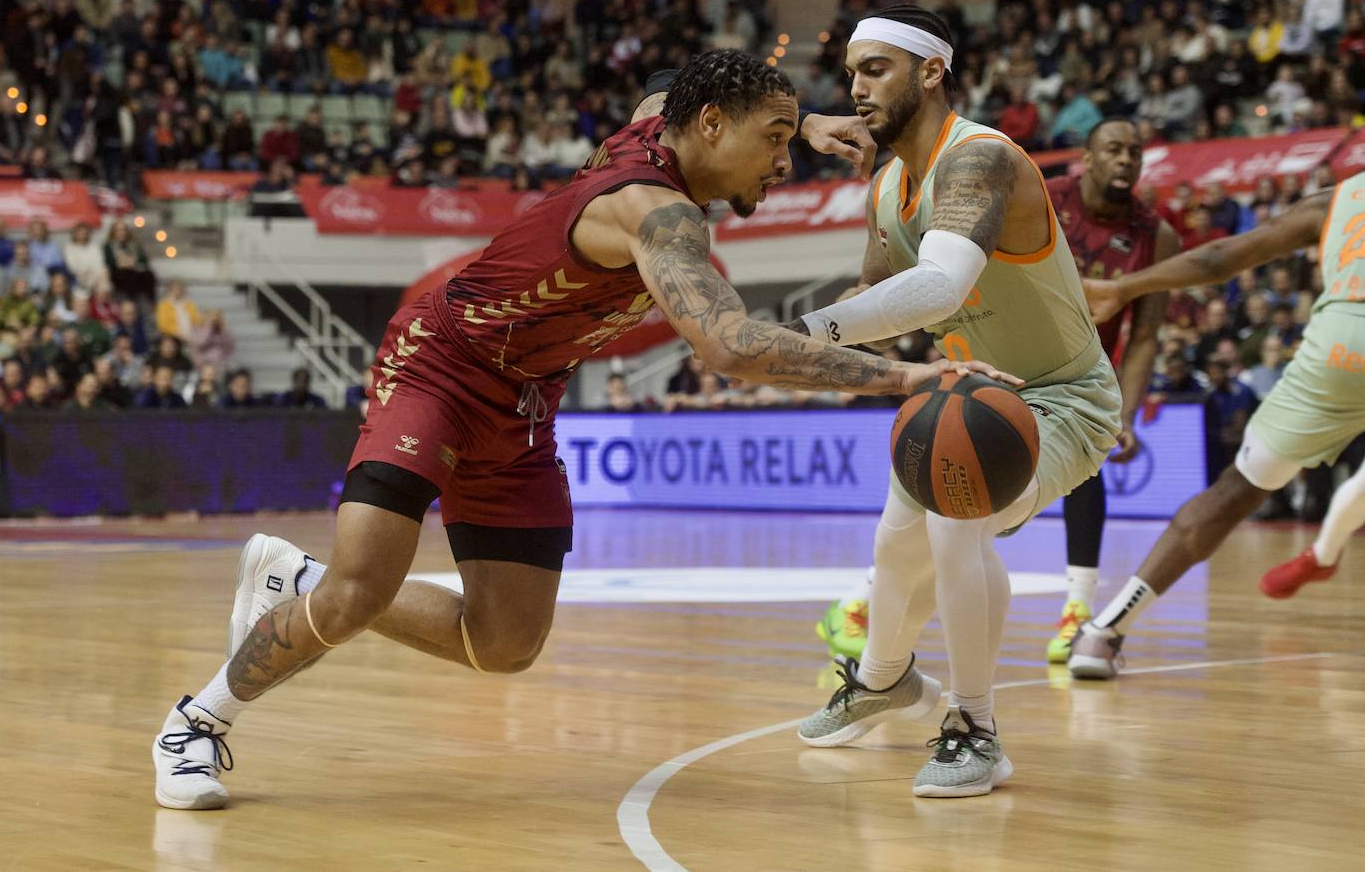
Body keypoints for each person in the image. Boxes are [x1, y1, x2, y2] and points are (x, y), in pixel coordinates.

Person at [150, 50, 1017, 812]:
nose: (786, 161)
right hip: (440, 364)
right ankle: (197, 720)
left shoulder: (660, 124)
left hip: (524, 396)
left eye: (791, 137)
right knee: (359, 590)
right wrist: (912, 375)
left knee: (504, 645)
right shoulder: (659, 213)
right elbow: (728, 345)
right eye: (775, 139)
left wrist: (804, 114)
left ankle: (290, 578)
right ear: (710, 128)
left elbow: (668, 85)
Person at [787, 6, 1120, 798]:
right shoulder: (885, 188)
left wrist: (801, 333)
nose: (857, 88)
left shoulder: (981, 160)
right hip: (969, 392)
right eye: (852, 73)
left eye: (876, 69)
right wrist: (800, 337)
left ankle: (976, 728)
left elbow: (939, 286)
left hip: (1063, 396)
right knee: (894, 547)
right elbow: (875, 290)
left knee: (952, 517)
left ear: (931, 71)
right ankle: (883, 679)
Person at [815, 118, 1178, 666]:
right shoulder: (1036, 192)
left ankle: (1071, 614)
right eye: (1114, 150)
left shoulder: (1156, 234)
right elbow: (917, 277)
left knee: (985, 507)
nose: (1126, 161)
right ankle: (870, 630)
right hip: (988, 364)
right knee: (931, 506)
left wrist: (1125, 404)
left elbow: (1146, 332)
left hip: (1076, 377)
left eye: (1136, 152)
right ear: (1087, 155)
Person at [1073, 171, 1365, 678]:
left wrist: (1125, 286)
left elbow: (1217, 258)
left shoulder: (1340, 197)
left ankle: (1102, 635)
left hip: (1339, 353)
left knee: (1233, 492)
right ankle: (1322, 553)